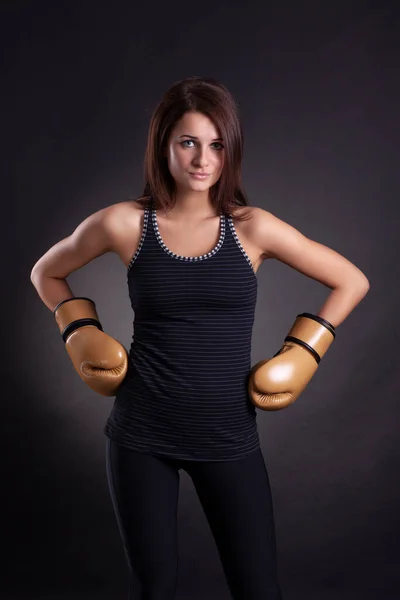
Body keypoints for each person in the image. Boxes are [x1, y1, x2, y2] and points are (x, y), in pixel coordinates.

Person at [30, 76, 370, 600]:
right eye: (188, 142)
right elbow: (45, 273)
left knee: (258, 589)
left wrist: (304, 351)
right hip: (141, 435)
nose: (202, 159)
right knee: (154, 589)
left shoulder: (253, 227)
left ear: (230, 150)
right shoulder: (123, 223)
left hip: (228, 437)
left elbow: (352, 280)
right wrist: (78, 329)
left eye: (216, 145)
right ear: (163, 144)